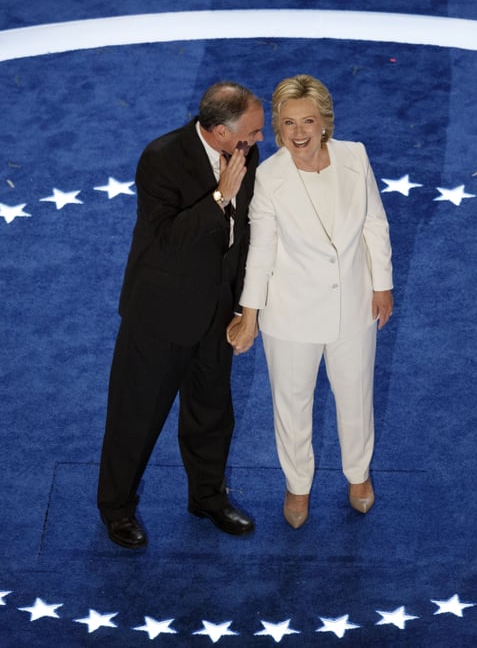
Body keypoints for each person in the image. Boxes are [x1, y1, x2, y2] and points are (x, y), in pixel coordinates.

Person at [97, 81, 264, 549]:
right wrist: (217, 199)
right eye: (251, 132)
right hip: (160, 318)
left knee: (212, 414)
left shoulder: (245, 157)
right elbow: (167, 241)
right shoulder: (161, 158)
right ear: (219, 131)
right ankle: (116, 509)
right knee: (136, 417)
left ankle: (208, 497)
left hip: (216, 315)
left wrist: (241, 306)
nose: (259, 140)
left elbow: (246, 236)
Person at [229, 74, 393, 529]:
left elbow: (374, 224)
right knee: (293, 403)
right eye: (287, 123)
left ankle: (358, 475)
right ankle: (297, 484)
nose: (298, 133)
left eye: (307, 121)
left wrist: (382, 284)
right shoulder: (269, 177)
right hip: (291, 314)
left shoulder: (355, 157)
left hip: (353, 307)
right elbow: (259, 250)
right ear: (278, 130)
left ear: (325, 124)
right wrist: (250, 315)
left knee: (356, 397)